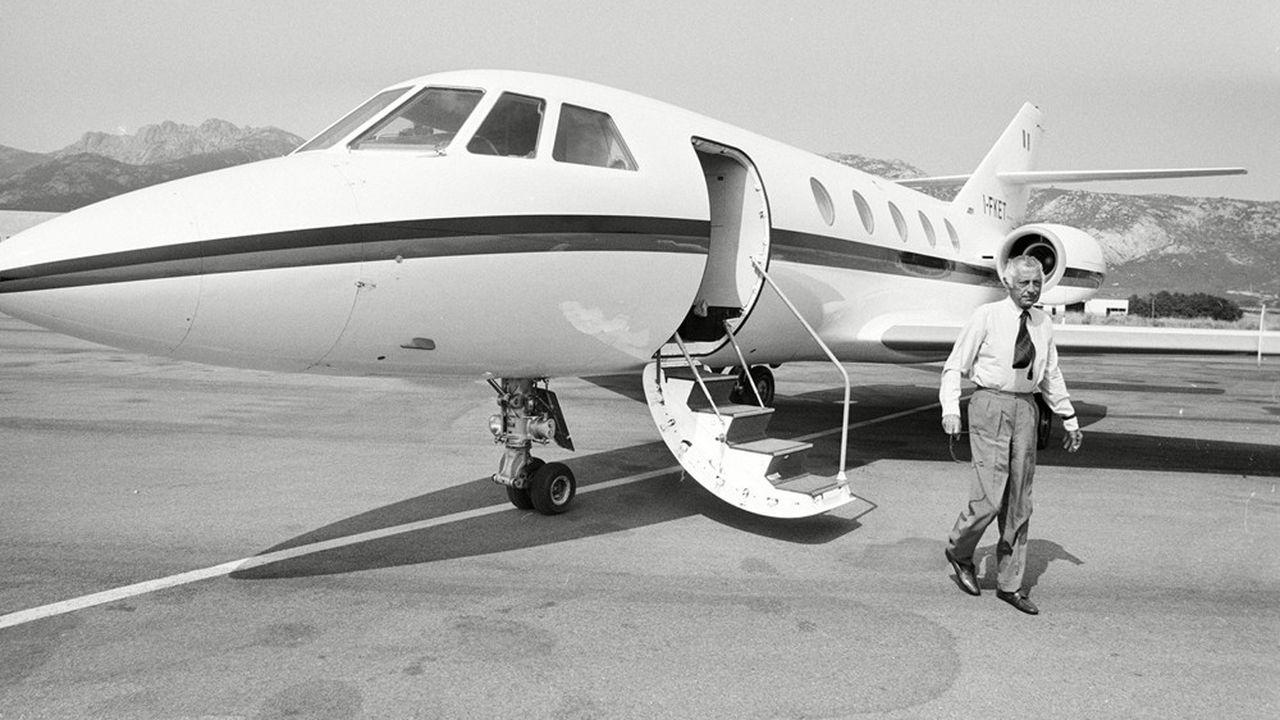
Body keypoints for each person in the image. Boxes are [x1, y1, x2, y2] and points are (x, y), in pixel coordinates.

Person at [939, 255, 1084, 615]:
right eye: (1024, 283)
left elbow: (1050, 373)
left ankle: (1010, 584)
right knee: (989, 499)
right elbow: (955, 364)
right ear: (1008, 283)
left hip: (1027, 408)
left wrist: (1069, 416)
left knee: (1020, 500)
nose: (1032, 290)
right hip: (990, 404)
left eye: (1037, 283)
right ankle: (959, 551)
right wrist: (950, 408)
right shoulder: (986, 316)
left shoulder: (1043, 322)